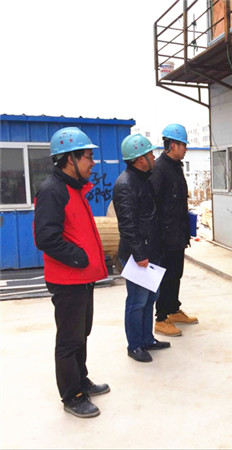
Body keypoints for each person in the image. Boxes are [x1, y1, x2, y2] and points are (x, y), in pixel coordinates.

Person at [34, 127, 109, 418]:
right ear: (70, 159)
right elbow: (46, 238)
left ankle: (81, 380)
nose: (93, 162)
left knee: (81, 334)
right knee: (69, 340)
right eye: (88, 156)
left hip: (82, 278)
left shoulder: (74, 188)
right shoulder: (53, 190)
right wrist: (80, 258)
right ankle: (72, 396)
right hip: (68, 279)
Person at [113, 134, 171, 363]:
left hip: (150, 251)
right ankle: (135, 345)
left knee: (149, 299)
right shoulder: (125, 185)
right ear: (139, 159)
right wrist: (139, 255)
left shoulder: (143, 179)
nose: (154, 157)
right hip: (138, 255)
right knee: (137, 302)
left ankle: (147, 339)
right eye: (150, 154)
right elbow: (127, 225)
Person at [150, 124, 197, 337]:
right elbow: (153, 205)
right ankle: (161, 318)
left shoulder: (176, 166)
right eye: (183, 145)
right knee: (165, 276)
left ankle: (173, 309)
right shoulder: (159, 169)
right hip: (165, 235)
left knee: (176, 273)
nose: (186, 149)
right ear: (173, 145)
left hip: (178, 232)